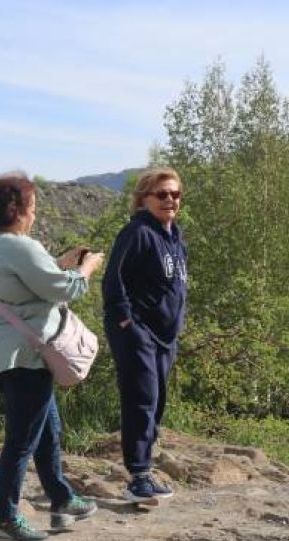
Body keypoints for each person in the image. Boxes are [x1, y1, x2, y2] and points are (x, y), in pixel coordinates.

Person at [0, 174, 103, 541]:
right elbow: (65, 288)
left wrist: (58, 262)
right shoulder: (18, 246)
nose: (34, 215)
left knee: (47, 430)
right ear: (17, 210)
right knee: (22, 440)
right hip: (24, 356)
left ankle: (62, 499)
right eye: (32, 208)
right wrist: (87, 268)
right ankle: (4, 520)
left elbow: (22, 285)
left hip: (0, 355)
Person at [102, 168, 189, 505]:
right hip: (138, 332)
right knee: (142, 399)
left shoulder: (174, 236)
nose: (170, 200)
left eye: (175, 194)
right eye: (162, 194)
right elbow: (113, 280)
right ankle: (137, 477)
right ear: (143, 199)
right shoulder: (137, 232)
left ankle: (145, 470)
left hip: (165, 336)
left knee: (156, 400)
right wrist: (127, 322)